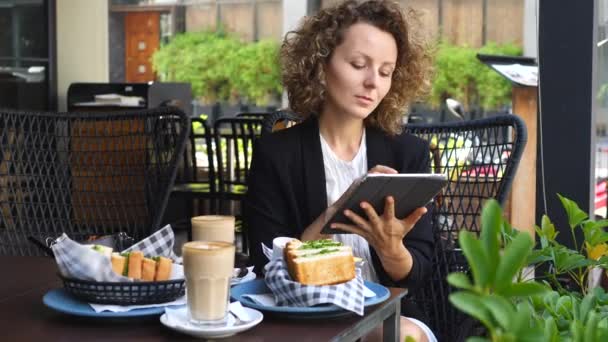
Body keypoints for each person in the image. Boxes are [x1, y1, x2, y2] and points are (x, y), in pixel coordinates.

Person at [244, 1, 435, 341]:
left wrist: (392, 250)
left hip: (392, 315)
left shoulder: (409, 154)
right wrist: (338, 209)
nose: (372, 82)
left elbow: (419, 273)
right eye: (359, 64)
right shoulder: (276, 155)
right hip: (307, 315)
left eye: (386, 72)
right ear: (320, 64)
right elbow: (266, 267)